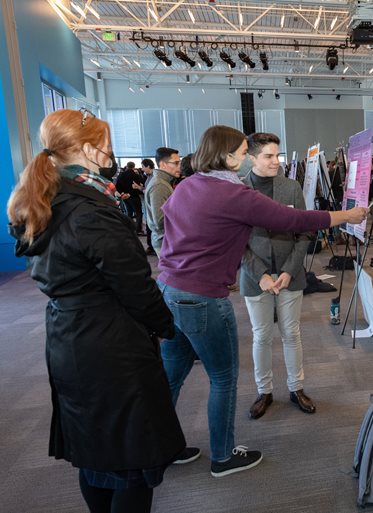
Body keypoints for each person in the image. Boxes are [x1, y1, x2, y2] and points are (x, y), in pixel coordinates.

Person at [157, 125, 368, 478]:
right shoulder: (234, 194)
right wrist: (346, 216)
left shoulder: (187, 186)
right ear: (227, 157)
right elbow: (294, 219)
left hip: (168, 292)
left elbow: (168, 227)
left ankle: (161, 446)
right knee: (223, 379)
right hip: (204, 297)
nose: (247, 158)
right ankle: (223, 457)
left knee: (171, 376)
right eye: (243, 152)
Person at [6, 109, 186, 513]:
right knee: (130, 463)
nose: (112, 156)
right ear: (88, 150)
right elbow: (135, 286)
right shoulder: (90, 209)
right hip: (110, 346)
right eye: (107, 148)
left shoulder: (49, 197)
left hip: (69, 340)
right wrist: (164, 325)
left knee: (97, 457)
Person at [239, 133, 315, 419]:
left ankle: (296, 388)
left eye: (277, 155)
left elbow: (305, 231)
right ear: (252, 158)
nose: (276, 161)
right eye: (269, 156)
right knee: (261, 336)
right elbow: (235, 241)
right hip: (254, 277)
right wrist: (260, 275)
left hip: (289, 275)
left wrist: (288, 270)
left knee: (291, 334)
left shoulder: (291, 187)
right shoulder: (238, 190)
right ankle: (265, 391)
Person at [144, 148, 181, 255]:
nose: (179, 167)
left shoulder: (163, 182)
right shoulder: (160, 185)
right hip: (165, 240)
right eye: (176, 163)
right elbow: (160, 221)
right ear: (163, 164)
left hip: (166, 239)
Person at [116, 161, 145, 235]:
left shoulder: (121, 175)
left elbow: (117, 185)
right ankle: (138, 230)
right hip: (134, 196)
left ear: (127, 166)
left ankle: (129, 229)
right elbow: (140, 185)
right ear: (134, 166)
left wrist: (122, 193)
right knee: (138, 213)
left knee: (129, 213)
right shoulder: (135, 175)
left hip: (125, 197)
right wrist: (129, 193)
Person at [140, 159, 155, 254]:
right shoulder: (149, 177)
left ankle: (152, 247)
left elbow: (151, 191)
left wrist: (144, 190)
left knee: (151, 227)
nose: (142, 169)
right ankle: (151, 246)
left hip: (152, 206)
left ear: (148, 166)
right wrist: (141, 188)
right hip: (148, 206)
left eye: (143, 167)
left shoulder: (154, 177)